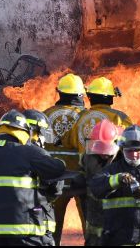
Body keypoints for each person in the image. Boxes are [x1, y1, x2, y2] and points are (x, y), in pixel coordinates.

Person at [0, 109, 66, 246]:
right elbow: (57, 171)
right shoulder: (31, 153)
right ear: (24, 132)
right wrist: (60, 162)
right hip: (25, 231)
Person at [89, 125, 140, 246]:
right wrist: (116, 180)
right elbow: (95, 187)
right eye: (129, 151)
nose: (134, 155)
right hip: (117, 239)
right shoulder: (112, 170)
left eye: (138, 150)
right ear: (122, 150)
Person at [43, 73, 88, 245]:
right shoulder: (85, 117)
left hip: (53, 182)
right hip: (80, 181)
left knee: (50, 229)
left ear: (60, 93)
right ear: (80, 95)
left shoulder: (45, 115)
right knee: (91, 228)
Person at [75, 119, 121, 246]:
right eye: (99, 147)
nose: (103, 154)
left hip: (116, 214)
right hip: (94, 213)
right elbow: (83, 172)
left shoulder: (123, 157)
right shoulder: (87, 156)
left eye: (106, 148)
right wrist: (79, 179)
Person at [24, 109, 64, 244]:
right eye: (43, 134)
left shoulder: (3, 154)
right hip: (36, 224)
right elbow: (55, 190)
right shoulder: (39, 155)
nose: (44, 140)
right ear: (34, 132)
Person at [65, 76, 133, 154]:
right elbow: (130, 143)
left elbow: (69, 143)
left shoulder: (79, 117)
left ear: (90, 97)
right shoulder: (120, 118)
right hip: (112, 164)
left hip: (85, 164)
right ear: (111, 98)